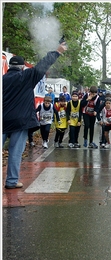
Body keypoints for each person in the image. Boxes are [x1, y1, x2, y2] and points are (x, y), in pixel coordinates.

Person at [2, 42, 66, 189]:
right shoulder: (27, 76)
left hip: (2, 120)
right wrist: (57, 51)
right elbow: (43, 64)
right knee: (15, 152)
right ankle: (11, 181)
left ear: (9, 67)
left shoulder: (2, 80)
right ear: (23, 67)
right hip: (20, 121)